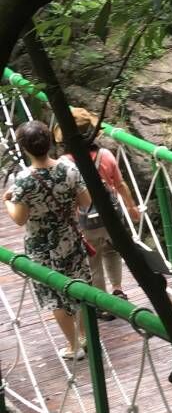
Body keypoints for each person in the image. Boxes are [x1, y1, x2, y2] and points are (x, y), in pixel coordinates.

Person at [3, 119, 92, 360]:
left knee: (54, 296)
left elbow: (20, 218)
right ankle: (85, 336)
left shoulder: (24, 180)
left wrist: (7, 201)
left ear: (24, 148)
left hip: (41, 247)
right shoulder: (68, 168)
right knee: (79, 287)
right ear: (50, 141)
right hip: (70, 238)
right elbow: (86, 202)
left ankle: (74, 346)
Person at [55, 107, 141, 308]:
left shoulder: (63, 164)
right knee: (113, 252)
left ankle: (102, 302)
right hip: (111, 216)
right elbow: (120, 184)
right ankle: (118, 289)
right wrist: (131, 207)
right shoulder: (106, 155)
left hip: (85, 220)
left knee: (93, 260)